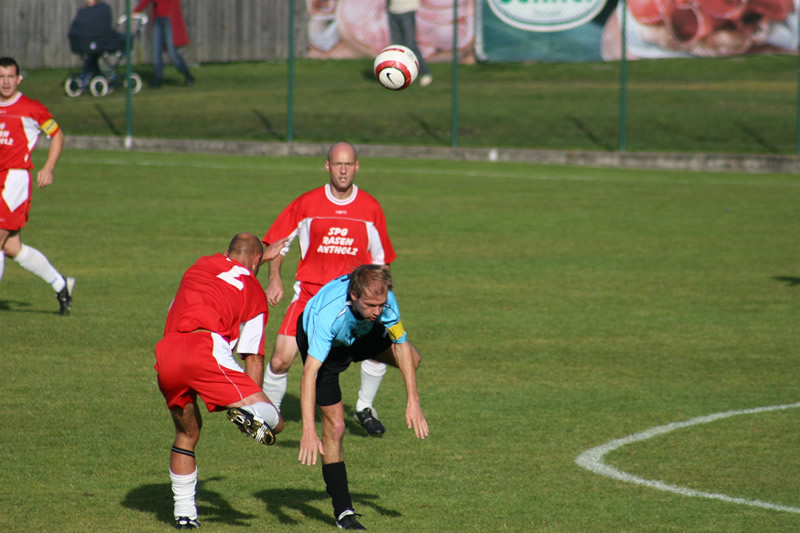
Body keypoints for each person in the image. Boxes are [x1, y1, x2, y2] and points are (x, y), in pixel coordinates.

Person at [261, 142, 397, 436]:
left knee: (376, 349)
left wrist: (382, 301)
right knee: (281, 359)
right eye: (338, 164)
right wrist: (274, 278)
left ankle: (364, 407)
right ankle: (267, 416)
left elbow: (381, 261)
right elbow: (278, 243)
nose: (343, 170)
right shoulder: (307, 203)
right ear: (327, 167)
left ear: (357, 166)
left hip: (354, 300)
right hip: (310, 296)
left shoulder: (370, 207)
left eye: (348, 164)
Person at [155, 233, 288, 529]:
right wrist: (254, 399)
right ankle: (251, 415)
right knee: (276, 421)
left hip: (167, 354)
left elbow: (235, 263)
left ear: (226, 251)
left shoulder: (200, 265)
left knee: (187, 435)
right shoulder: (253, 291)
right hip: (205, 350)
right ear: (257, 261)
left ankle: (185, 515)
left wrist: (260, 257)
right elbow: (252, 356)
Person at [298, 265, 428, 529]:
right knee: (335, 427)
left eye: (381, 304)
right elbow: (309, 374)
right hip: (330, 350)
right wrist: (308, 430)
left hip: (361, 336)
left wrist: (413, 401)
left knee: (413, 359)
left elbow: (401, 346)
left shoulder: (382, 302)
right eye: (371, 305)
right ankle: (344, 513)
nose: (378, 311)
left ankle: (363, 399)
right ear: (354, 295)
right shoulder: (329, 315)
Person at [0, 57, 74, 315]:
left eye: (10, 76)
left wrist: (48, 168)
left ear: (18, 79)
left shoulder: (30, 108)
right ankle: (61, 284)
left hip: (14, 180)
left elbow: (57, 135)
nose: (6, 82)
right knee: (11, 247)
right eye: (1, 77)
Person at [134, 0, 194, 87]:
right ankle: (158, 79)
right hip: (157, 19)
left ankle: (187, 75)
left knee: (171, 51)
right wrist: (136, 11)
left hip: (168, 18)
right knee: (156, 51)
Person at [67, 0, 125, 88]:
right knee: (92, 57)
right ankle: (90, 76)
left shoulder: (101, 9)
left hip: (98, 41)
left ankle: (87, 77)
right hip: (89, 41)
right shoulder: (86, 11)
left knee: (92, 57)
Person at [387, 0, 433, 87]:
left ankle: (424, 72)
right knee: (396, 46)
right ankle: (400, 75)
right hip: (392, 9)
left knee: (410, 45)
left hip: (407, 9)